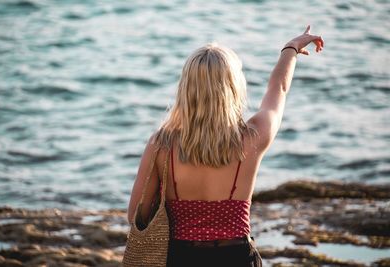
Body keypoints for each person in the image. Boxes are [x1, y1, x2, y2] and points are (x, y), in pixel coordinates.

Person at [127, 25, 324, 267]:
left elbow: (137, 215)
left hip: (181, 258)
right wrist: (290, 50)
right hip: (237, 257)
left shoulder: (161, 144)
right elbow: (278, 90)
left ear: (186, 89)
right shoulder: (252, 136)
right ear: (232, 87)